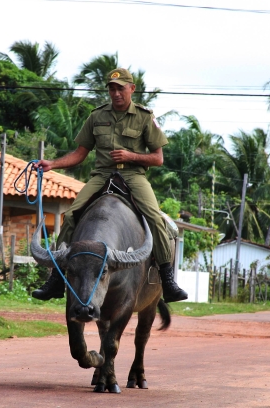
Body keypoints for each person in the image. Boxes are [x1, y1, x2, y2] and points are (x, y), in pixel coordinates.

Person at [31, 68, 188, 303]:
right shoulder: (96, 116)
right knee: (71, 214)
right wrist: (52, 164)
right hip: (102, 175)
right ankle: (56, 280)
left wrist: (130, 156)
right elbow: (80, 153)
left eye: (120, 88)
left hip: (134, 176)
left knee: (155, 218)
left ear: (131, 89)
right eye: (112, 89)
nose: (116, 93)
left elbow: (158, 158)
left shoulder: (145, 117)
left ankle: (168, 280)